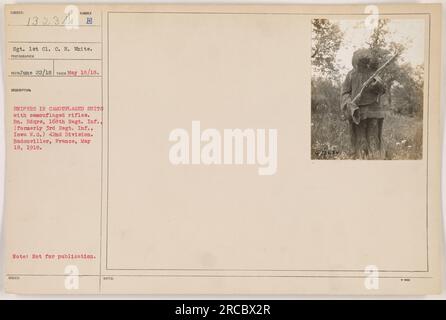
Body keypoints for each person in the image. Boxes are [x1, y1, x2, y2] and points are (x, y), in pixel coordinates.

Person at [341, 48, 387, 159]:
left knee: (373, 138)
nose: (363, 65)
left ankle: (376, 158)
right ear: (356, 62)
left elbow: (383, 89)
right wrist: (350, 105)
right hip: (357, 111)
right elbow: (345, 93)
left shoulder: (373, 74)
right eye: (360, 62)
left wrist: (376, 85)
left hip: (373, 111)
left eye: (365, 62)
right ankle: (360, 158)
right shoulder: (350, 75)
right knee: (360, 138)